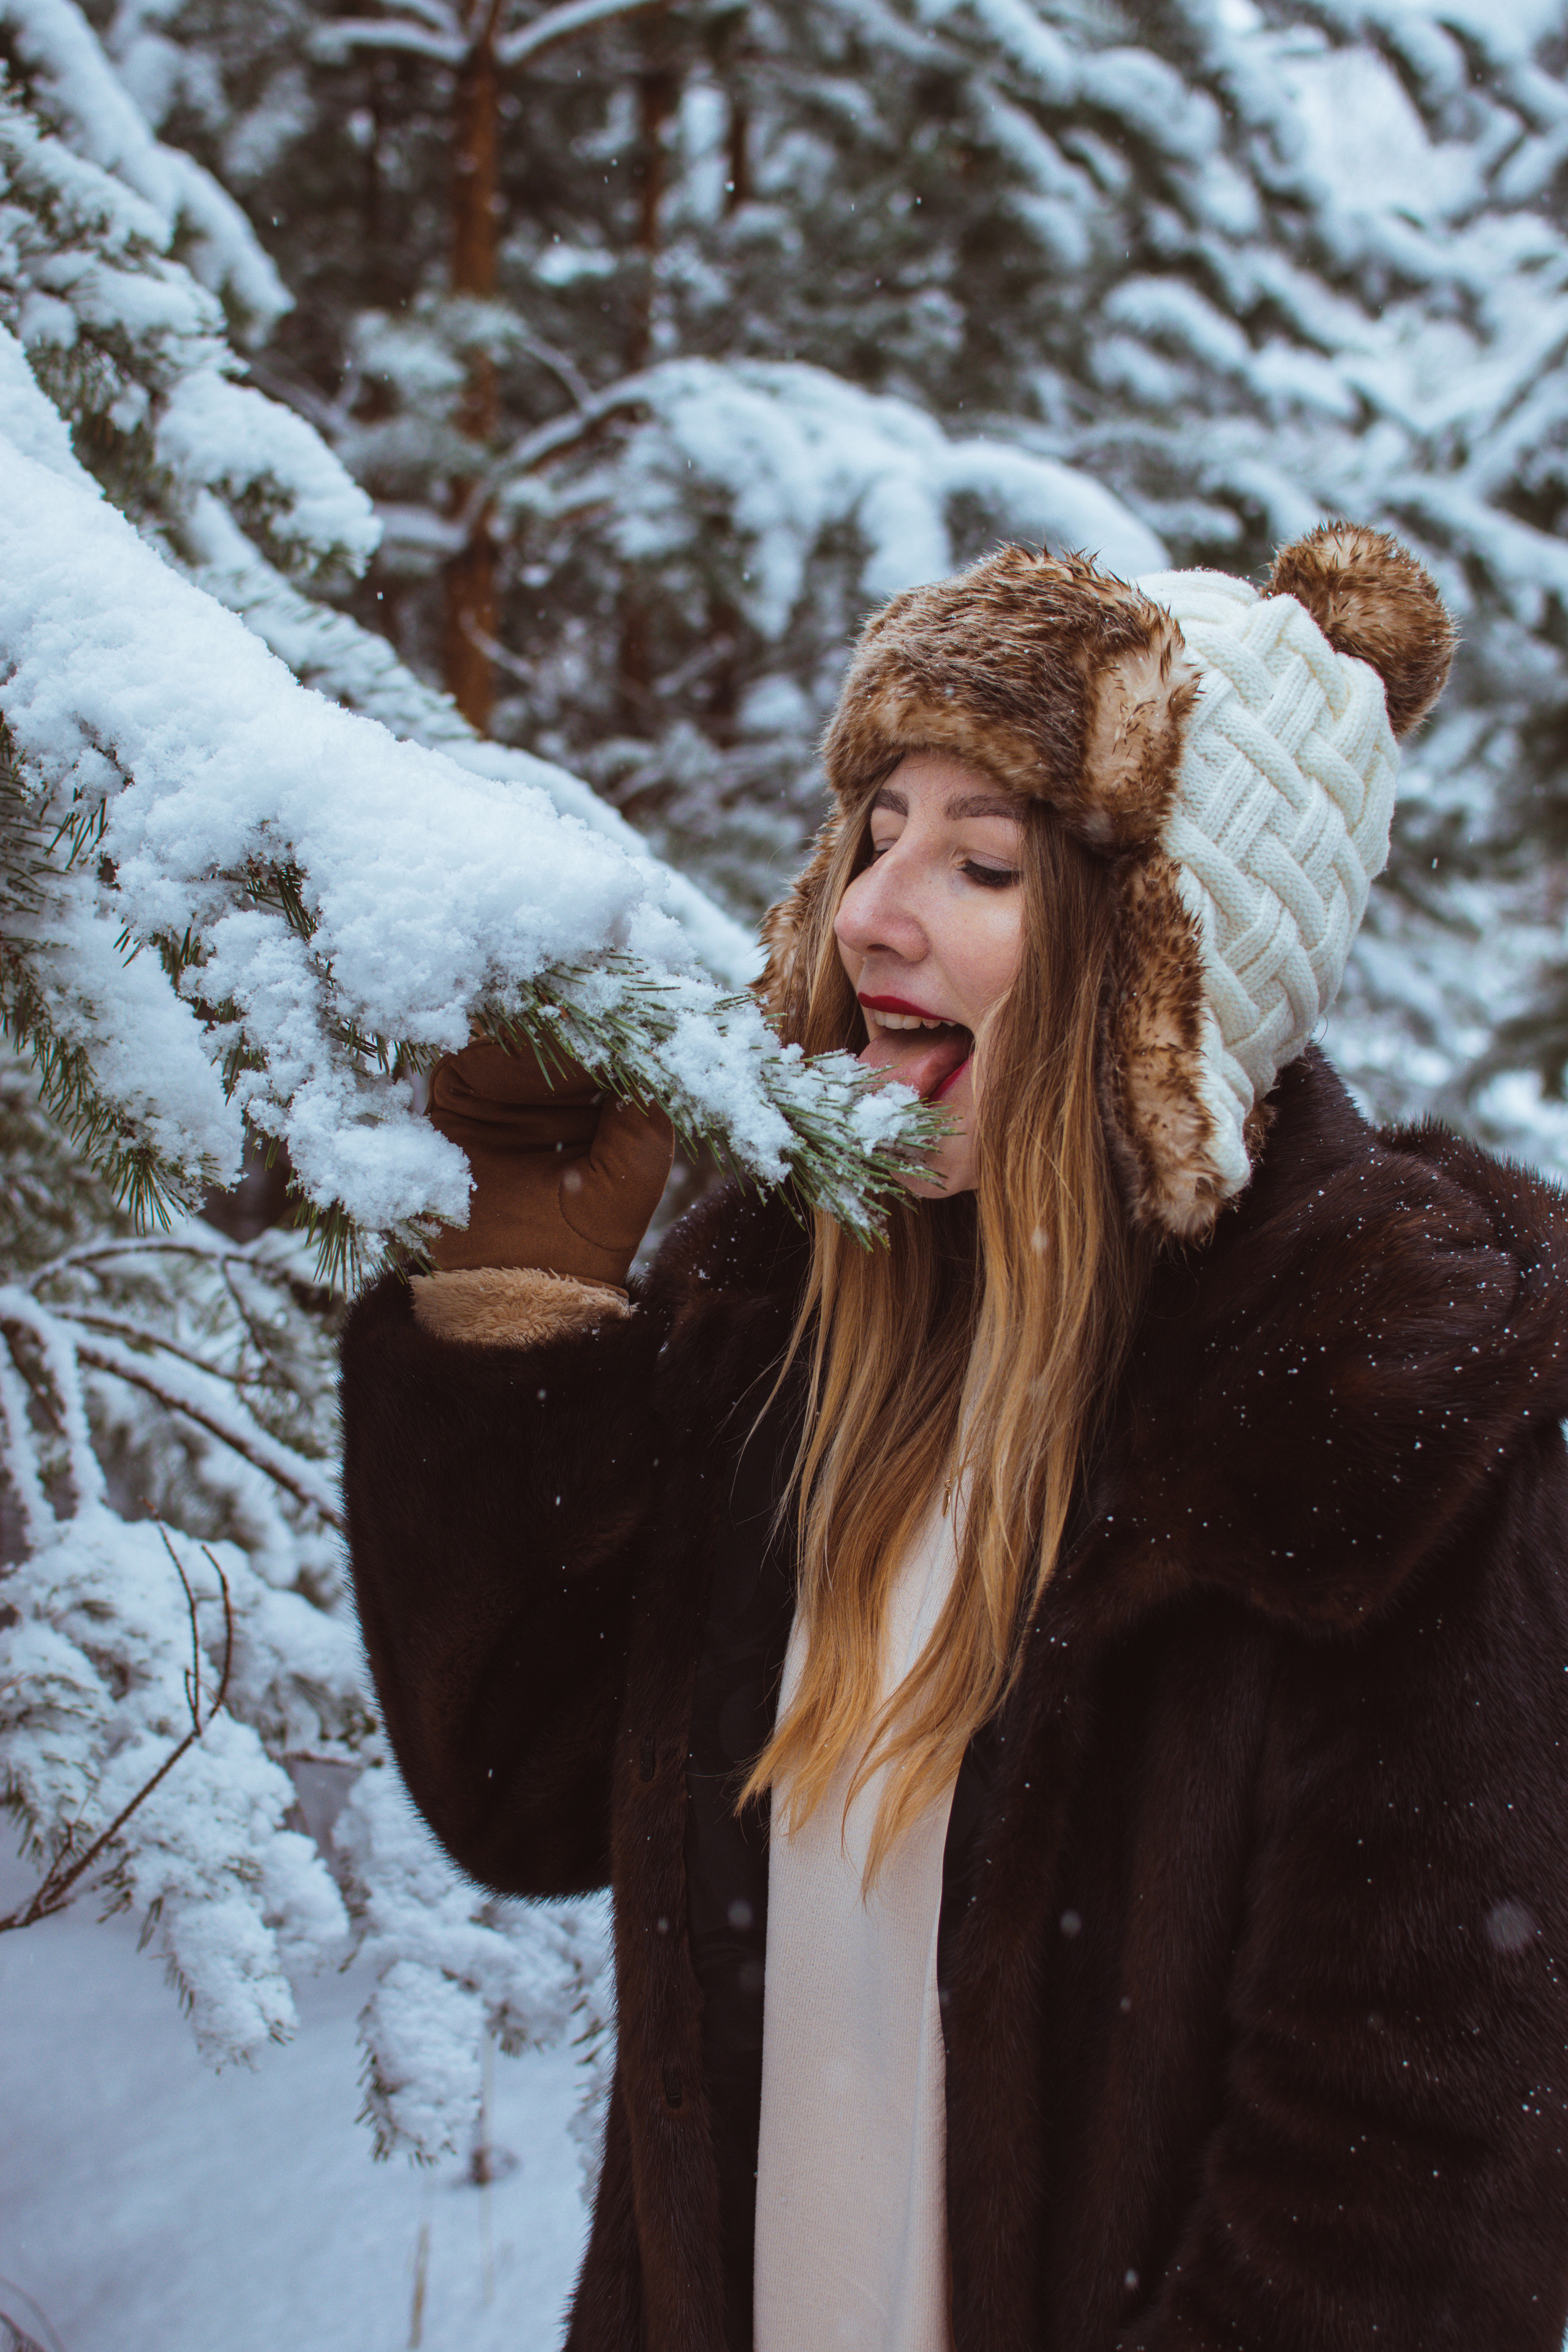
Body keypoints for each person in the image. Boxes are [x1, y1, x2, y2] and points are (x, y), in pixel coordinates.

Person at [341, 524, 1568, 2352]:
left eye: (983, 861)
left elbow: (1408, 2208)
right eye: (874, 832)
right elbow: (521, 1783)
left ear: (1170, 984)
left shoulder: (1389, 1423)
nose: (870, 914)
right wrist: (522, 1294)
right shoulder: (785, 1322)